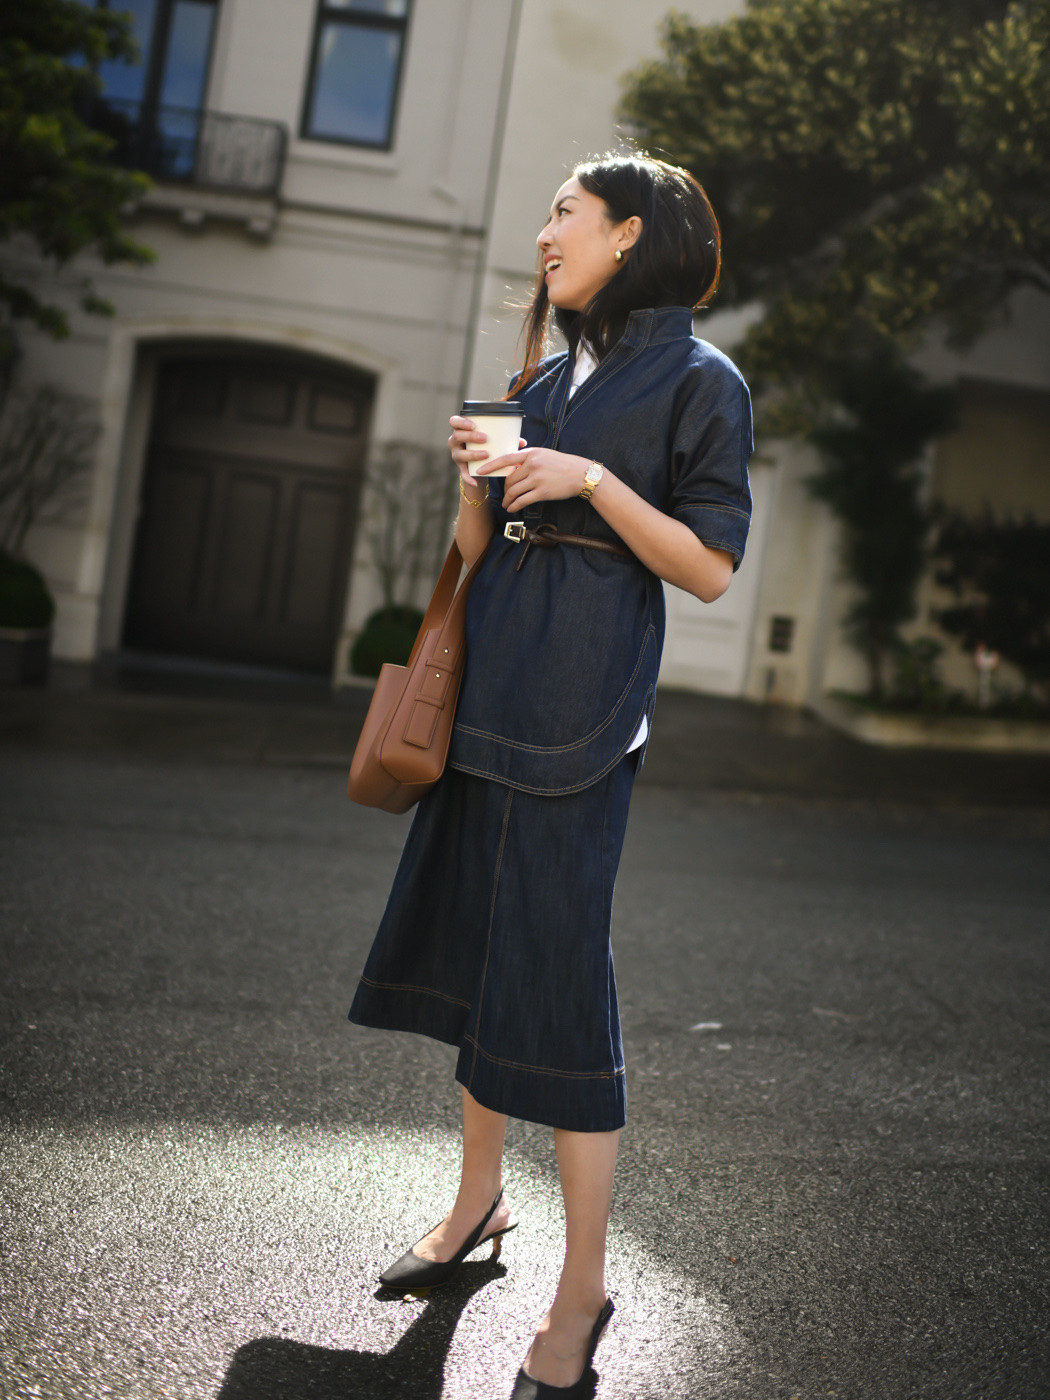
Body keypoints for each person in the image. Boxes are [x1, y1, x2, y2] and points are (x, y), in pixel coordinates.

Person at [349, 151, 753, 1398]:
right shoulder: (545, 371)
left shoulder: (701, 379)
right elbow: (481, 547)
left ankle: (582, 1287)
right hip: (485, 707)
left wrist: (589, 478)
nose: (543, 234)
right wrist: (478, 471)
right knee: (479, 967)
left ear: (631, 234)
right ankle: (479, 1203)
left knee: (561, 996)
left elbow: (710, 566)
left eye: (564, 215)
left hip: (581, 724)